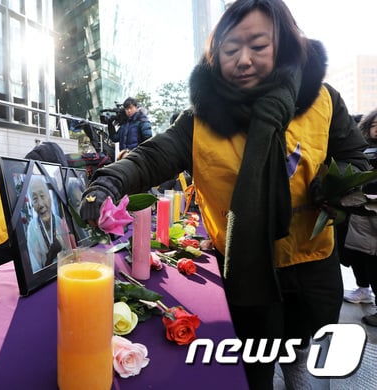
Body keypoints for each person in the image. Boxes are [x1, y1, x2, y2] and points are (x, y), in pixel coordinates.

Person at [79, 1, 370, 388]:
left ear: (283, 45)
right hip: (244, 269)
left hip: (312, 261)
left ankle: (299, 367)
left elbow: (355, 157)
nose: (244, 60)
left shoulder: (323, 101)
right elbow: (151, 157)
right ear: (216, 56)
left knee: (307, 351)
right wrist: (109, 181)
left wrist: (341, 185)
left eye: (258, 46)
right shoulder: (200, 119)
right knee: (254, 367)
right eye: (231, 49)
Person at [342, 109, 377, 309]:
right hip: (360, 209)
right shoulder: (361, 150)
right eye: (373, 124)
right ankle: (363, 289)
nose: (376, 129)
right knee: (358, 254)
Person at [26, 175, 70, 272]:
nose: (41, 204)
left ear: (49, 198)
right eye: (35, 199)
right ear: (32, 205)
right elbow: (36, 271)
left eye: (42, 196)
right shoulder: (32, 229)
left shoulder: (59, 222)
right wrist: (50, 255)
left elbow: (70, 256)